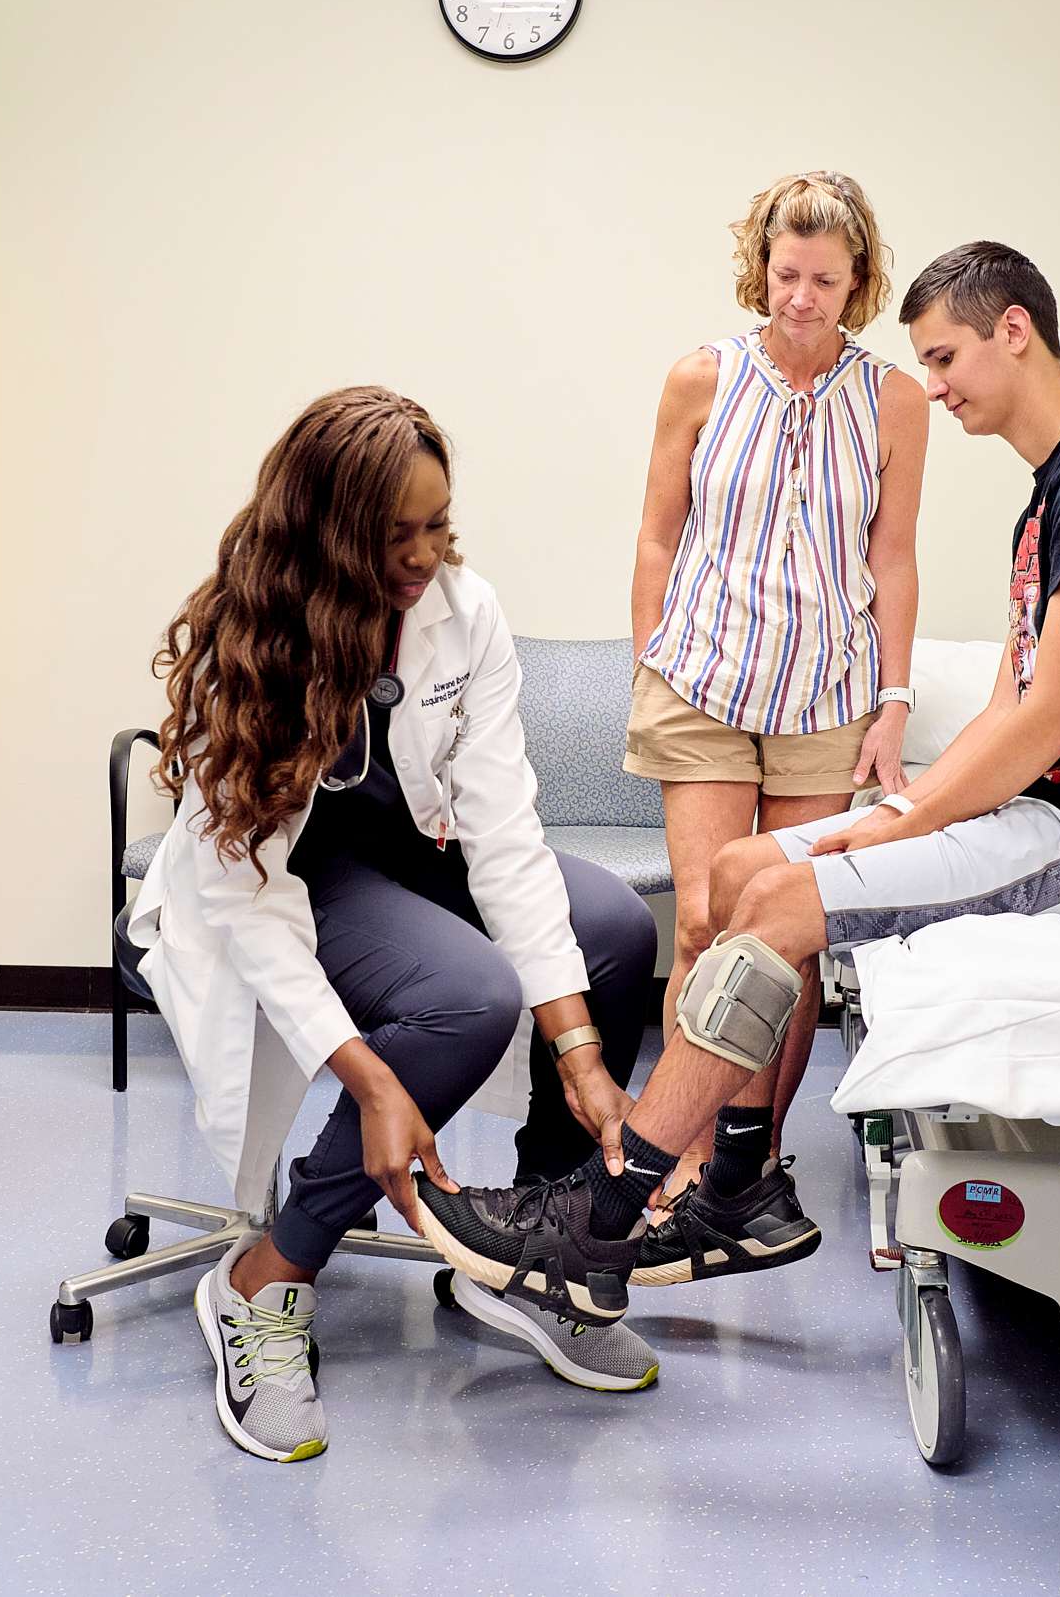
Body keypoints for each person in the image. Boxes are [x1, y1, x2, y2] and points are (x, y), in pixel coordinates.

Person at [416, 243, 1060, 1325]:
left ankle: (606, 1211)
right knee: (743, 874)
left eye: (944, 356)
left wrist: (893, 825)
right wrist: (895, 816)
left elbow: (1055, 715)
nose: (932, 385)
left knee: (788, 900)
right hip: (1048, 815)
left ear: (1015, 330)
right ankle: (741, 1182)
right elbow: (1007, 703)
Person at [127, 386, 660, 1459]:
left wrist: (583, 1051)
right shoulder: (261, 635)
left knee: (614, 926)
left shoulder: (467, 614)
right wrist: (374, 1085)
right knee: (469, 996)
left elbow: (504, 830)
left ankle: (525, 1245)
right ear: (327, 532)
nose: (423, 557)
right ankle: (266, 1275)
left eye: (438, 525)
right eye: (392, 535)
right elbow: (247, 889)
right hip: (289, 879)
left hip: (420, 849)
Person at [625, 169, 927, 1214]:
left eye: (825, 280)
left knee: (784, 937)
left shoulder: (892, 399)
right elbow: (659, 530)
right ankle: (683, 1142)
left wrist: (892, 699)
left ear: (859, 282)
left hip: (825, 696)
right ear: (761, 269)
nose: (802, 297)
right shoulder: (700, 378)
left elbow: (893, 555)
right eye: (786, 273)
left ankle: (748, 1162)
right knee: (707, 924)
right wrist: (649, 656)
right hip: (702, 682)